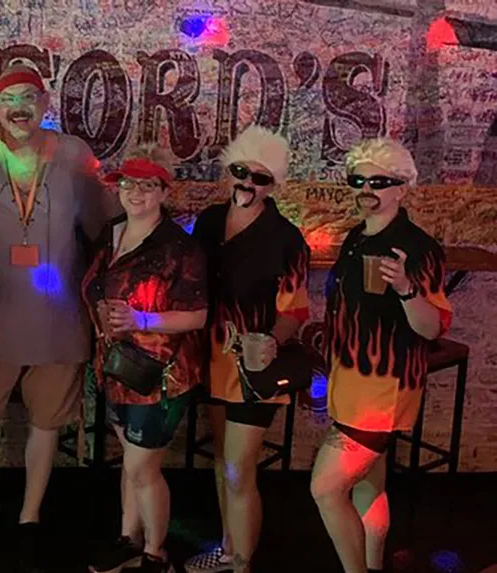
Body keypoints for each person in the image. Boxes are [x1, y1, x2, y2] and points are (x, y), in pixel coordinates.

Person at [0, 63, 116, 572]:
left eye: (30, 97)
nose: (19, 107)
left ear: (45, 104)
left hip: (57, 315)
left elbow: (108, 226)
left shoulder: (72, 155)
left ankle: (30, 515)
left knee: (48, 420)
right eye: (9, 98)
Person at [311, 138, 451, 573]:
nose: (366, 188)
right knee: (369, 483)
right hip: (351, 383)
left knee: (325, 488)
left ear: (402, 188)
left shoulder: (417, 247)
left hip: (381, 390)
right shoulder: (357, 235)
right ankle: (373, 565)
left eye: (379, 181)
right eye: (359, 180)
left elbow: (433, 327)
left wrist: (407, 288)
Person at [185, 126, 310, 573]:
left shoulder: (286, 237)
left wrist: (271, 339)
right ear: (229, 171)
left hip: (256, 367)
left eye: (260, 178)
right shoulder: (208, 223)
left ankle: (241, 563)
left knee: (238, 470)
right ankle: (228, 547)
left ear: (272, 185)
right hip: (211, 359)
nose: (248, 184)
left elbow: (296, 309)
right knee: (223, 463)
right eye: (241, 172)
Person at [83, 150, 208, 573]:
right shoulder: (111, 232)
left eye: (147, 185)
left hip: (160, 375)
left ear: (163, 192)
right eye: (128, 184)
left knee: (141, 467)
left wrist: (141, 318)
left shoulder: (180, 247)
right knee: (131, 462)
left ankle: (156, 553)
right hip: (116, 368)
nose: (135, 192)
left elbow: (198, 314)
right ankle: (128, 537)